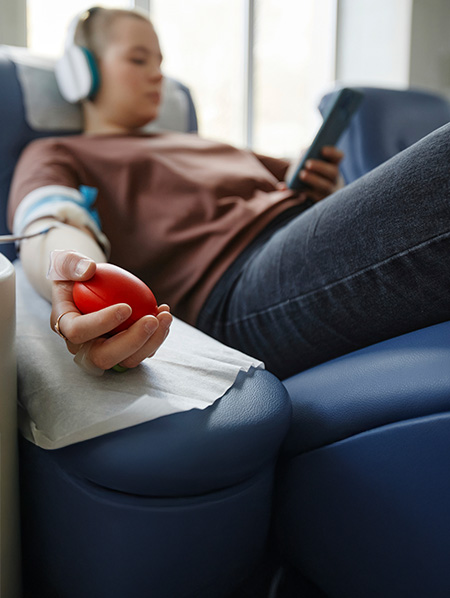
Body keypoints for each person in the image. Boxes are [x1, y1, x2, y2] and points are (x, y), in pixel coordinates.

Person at [8, 6, 450, 380]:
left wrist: (324, 186)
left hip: (298, 241)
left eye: (161, 62)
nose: (158, 76)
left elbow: (300, 182)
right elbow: (51, 222)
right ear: (80, 72)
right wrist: (76, 279)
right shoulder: (58, 151)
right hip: (240, 285)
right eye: (138, 60)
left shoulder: (208, 143)